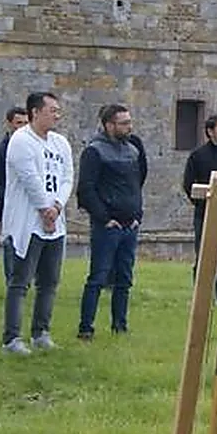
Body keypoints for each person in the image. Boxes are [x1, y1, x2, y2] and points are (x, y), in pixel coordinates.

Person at [0, 91, 72, 354]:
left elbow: (67, 177)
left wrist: (57, 206)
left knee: (49, 282)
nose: (57, 115)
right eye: (52, 110)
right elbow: (29, 178)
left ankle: (41, 332)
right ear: (35, 112)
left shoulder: (60, 143)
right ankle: (12, 338)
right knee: (20, 281)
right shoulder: (21, 140)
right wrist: (44, 209)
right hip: (27, 222)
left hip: (55, 223)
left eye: (58, 110)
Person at [75, 103, 147, 340]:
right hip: (108, 226)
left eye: (129, 122)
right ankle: (86, 328)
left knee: (124, 279)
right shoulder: (94, 151)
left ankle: (120, 326)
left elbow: (136, 184)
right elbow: (86, 190)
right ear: (109, 125)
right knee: (98, 277)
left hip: (129, 224)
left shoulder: (133, 150)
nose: (129, 127)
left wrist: (137, 216)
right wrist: (104, 218)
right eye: (124, 123)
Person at [181, 114, 217, 303]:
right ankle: (201, 296)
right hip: (204, 214)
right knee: (204, 256)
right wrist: (203, 204)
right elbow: (188, 184)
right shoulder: (198, 156)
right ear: (210, 132)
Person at [0, 106, 29, 280]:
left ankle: (25, 279)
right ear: (9, 124)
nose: (22, 127)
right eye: (19, 123)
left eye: (25, 123)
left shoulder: (34, 149)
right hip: (10, 208)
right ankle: (12, 281)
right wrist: (11, 198)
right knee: (11, 245)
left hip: (30, 207)